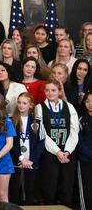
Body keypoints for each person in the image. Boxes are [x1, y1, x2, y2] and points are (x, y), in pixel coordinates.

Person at [35, 79, 79, 207]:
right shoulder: (39, 108)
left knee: (67, 185)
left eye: (53, 90)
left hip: (68, 152)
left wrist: (67, 151)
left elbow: (74, 130)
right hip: (50, 153)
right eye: (47, 90)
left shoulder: (69, 106)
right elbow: (41, 133)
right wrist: (57, 151)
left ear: (60, 92)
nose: (50, 93)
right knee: (50, 186)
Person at [9, 92, 44, 206]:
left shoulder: (37, 121)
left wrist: (31, 159)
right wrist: (21, 158)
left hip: (31, 161)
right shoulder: (11, 120)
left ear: (31, 105)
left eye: (24, 103)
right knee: (14, 188)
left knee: (30, 189)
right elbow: (11, 144)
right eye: (19, 102)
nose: (21, 105)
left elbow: (41, 142)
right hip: (17, 159)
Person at [78, 92, 92, 210]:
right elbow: (79, 142)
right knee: (87, 190)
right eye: (87, 101)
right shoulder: (81, 119)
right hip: (86, 161)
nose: (90, 104)